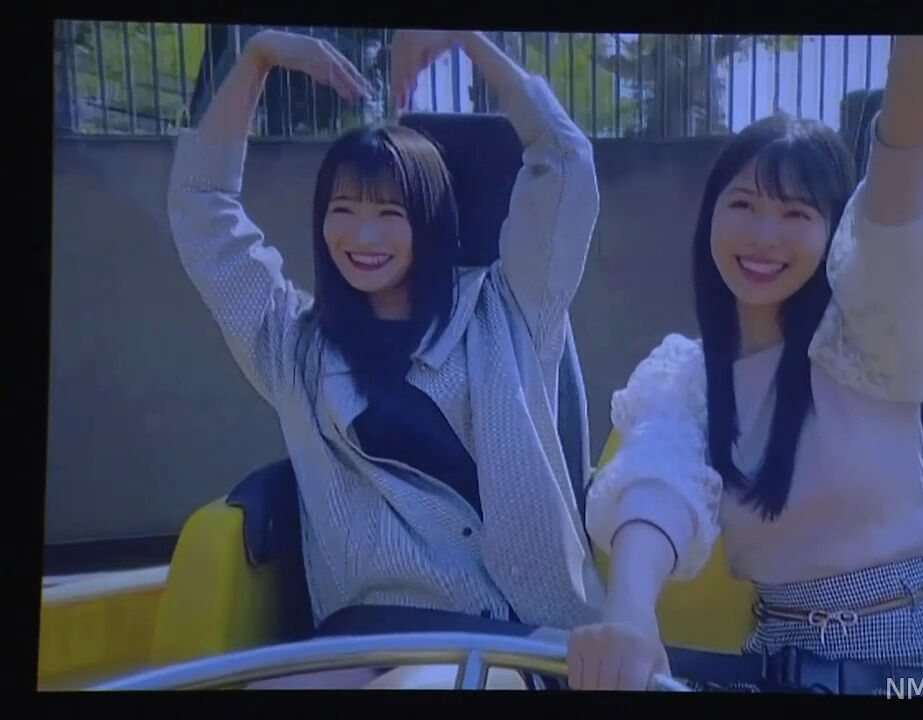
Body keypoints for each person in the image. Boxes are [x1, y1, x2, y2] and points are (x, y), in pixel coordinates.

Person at [567, 35, 923, 693]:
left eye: (795, 213)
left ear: (835, 231)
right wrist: (631, 614)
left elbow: (900, 180)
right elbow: (657, 481)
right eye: (743, 205)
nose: (764, 236)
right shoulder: (687, 377)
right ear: (711, 217)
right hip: (781, 665)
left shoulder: (868, 336)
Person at [168, 28, 603, 688]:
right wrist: (257, 57)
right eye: (342, 209)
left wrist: (468, 37)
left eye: (390, 213)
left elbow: (565, 159)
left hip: (513, 642)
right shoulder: (294, 345)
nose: (362, 235)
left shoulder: (508, 308)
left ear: (429, 219)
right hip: (365, 637)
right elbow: (203, 206)